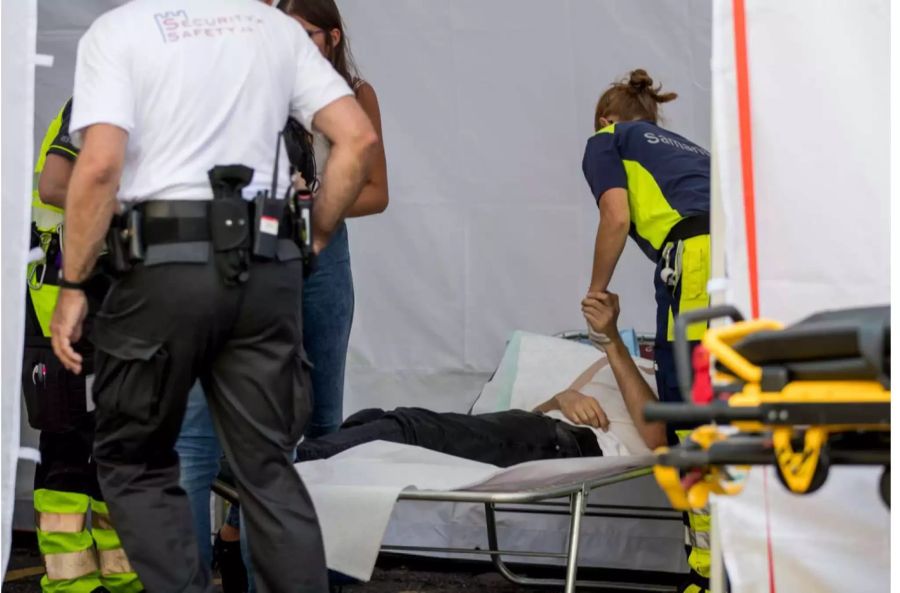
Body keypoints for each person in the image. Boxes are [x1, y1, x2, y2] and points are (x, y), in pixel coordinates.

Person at [48, 0, 379, 591]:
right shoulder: (273, 30)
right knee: (268, 466)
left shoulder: (120, 30)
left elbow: (97, 168)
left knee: (135, 457)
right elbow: (356, 138)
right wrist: (317, 233)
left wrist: (73, 283)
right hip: (266, 260)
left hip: (164, 262)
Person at [174, 1, 390, 582]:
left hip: (318, 254)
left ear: (333, 36)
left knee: (320, 421)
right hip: (239, 256)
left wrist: (314, 211)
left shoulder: (350, 95)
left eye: (305, 35)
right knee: (207, 440)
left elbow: (377, 192)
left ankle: (319, 567)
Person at [295, 292, 667, 464]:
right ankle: (294, 466)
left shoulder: (664, 384)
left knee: (412, 427)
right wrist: (563, 398)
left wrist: (612, 339)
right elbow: (538, 412)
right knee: (375, 419)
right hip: (538, 427)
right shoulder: (612, 364)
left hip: (572, 444)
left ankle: (289, 463)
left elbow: (657, 436)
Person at [24, 98, 142, 593]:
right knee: (69, 446)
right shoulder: (97, 102)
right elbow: (53, 185)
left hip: (130, 303)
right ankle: (71, 583)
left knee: (125, 445)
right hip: (63, 304)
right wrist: (134, 203)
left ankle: (124, 576)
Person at [581, 68, 710, 408]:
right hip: (738, 256)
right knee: (730, 367)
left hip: (693, 253)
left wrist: (596, 294)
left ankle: (692, 461)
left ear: (604, 119)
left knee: (683, 377)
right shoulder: (693, 150)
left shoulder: (608, 137)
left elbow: (616, 216)